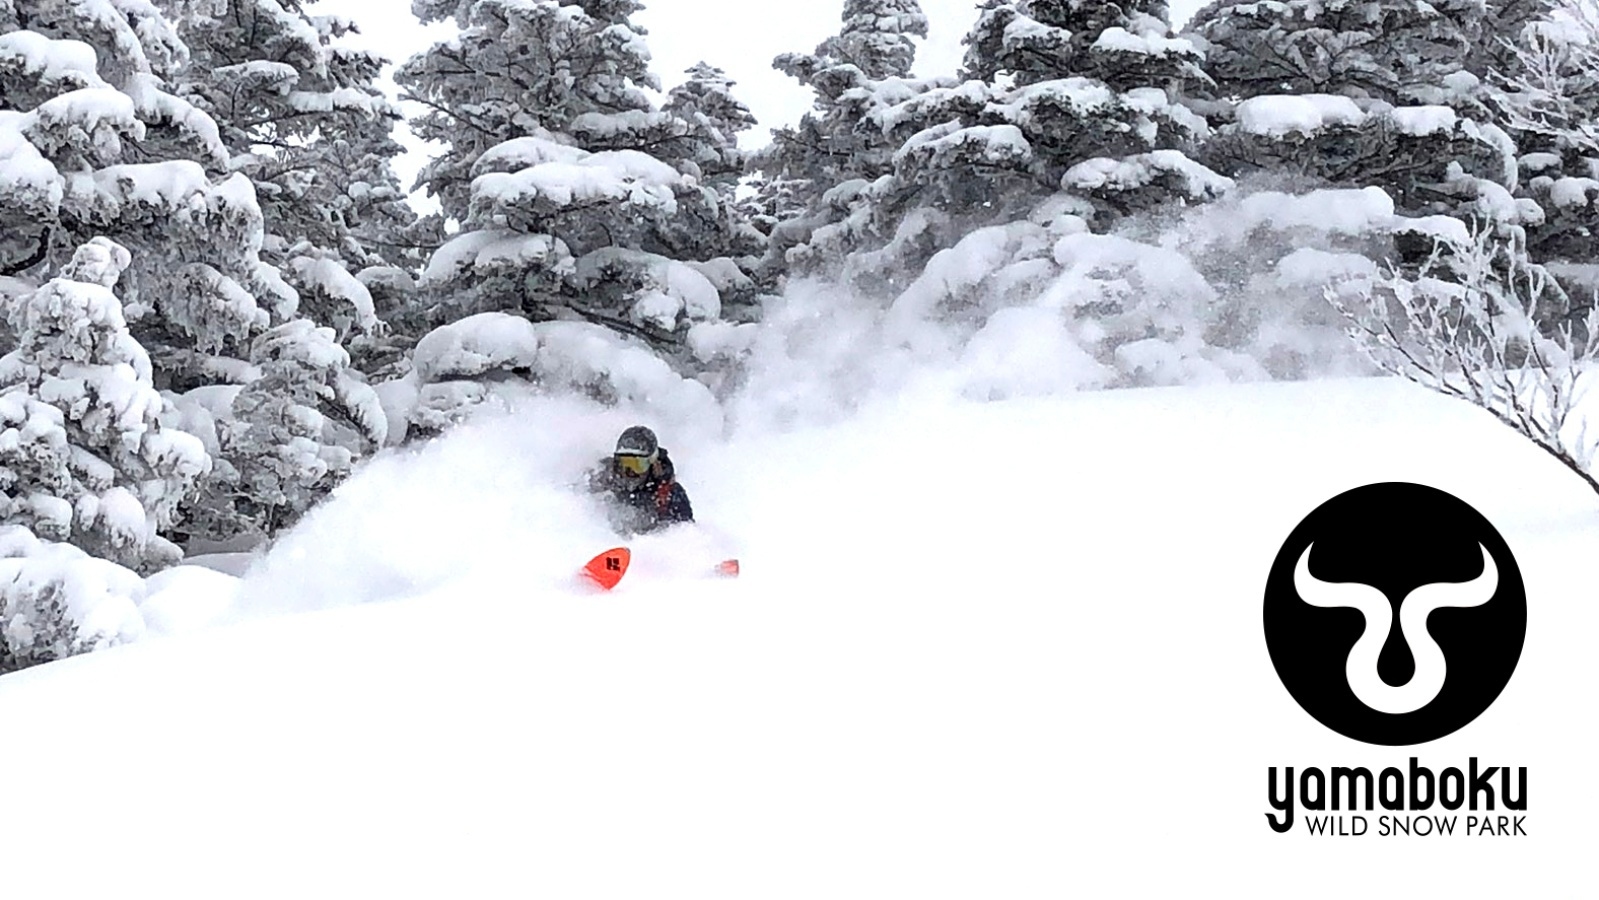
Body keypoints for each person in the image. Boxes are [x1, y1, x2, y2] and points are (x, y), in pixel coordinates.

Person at [586, 425, 694, 535]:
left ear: (652, 463)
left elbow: (685, 536)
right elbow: (574, 503)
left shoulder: (669, 494)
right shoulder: (603, 478)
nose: (629, 472)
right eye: (625, 464)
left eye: (638, 465)